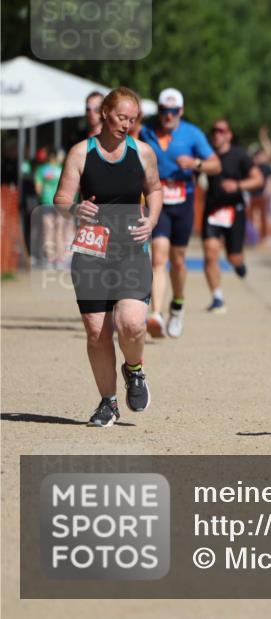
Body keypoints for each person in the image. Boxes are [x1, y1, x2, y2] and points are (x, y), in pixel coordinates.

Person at [52, 87, 163, 426]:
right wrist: (75, 208)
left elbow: (155, 189)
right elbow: (59, 201)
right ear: (104, 113)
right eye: (121, 117)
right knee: (97, 332)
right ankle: (108, 402)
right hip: (91, 249)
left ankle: (135, 369)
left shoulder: (143, 153)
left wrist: (152, 219)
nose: (127, 125)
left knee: (130, 323)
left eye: (133, 119)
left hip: (130, 247)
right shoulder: (80, 154)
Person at [139, 88, 221, 338]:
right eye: (164, 111)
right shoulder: (146, 132)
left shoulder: (192, 133)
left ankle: (178, 305)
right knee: (159, 256)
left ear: (181, 111)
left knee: (178, 260)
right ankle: (156, 314)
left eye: (173, 112)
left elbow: (215, 164)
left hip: (184, 201)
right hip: (158, 201)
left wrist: (197, 164)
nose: (168, 116)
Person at [202, 119, 264, 313]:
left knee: (233, 257)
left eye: (221, 130)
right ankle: (217, 298)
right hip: (212, 210)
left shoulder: (239, 155)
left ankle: (239, 264)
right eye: (214, 130)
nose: (216, 134)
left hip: (234, 210)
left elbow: (258, 179)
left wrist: (238, 186)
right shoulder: (206, 154)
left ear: (229, 134)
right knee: (210, 253)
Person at [35, 148, 70, 268]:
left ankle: (50, 258)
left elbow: (38, 188)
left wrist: (44, 196)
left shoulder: (41, 170)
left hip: (47, 202)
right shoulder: (62, 169)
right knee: (58, 230)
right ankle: (59, 259)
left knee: (48, 230)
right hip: (59, 203)